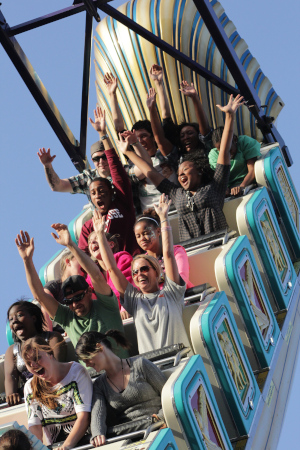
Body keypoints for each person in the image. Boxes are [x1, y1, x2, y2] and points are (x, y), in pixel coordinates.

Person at [117, 95, 244, 242]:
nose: (181, 175)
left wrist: (230, 115)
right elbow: (149, 172)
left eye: (185, 170)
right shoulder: (176, 193)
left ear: (199, 171)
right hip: (193, 250)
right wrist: (128, 151)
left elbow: (224, 150)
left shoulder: (215, 186)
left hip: (220, 243)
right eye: (178, 173)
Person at [92, 194, 191, 354]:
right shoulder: (135, 302)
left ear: (157, 272)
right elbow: (112, 268)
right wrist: (100, 235)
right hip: (154, 368)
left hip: (180, 361)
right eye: (135, 272)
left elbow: (168, 254)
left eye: (144, 269)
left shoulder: (172, 293)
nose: (139, 274)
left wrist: (164, 218)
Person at [15, 228, 128, 359]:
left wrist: (70, 245)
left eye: (78, 297)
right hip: (94, 378)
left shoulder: (106, 305)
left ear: (89, 292)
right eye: (69, 301)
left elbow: (96, 276)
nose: (75, 304)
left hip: (122, 371)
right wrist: (27, 260)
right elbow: (39, 295)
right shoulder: (68, 319)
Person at [75, 330, 167, 447]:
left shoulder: (141, 365)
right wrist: (98, 434)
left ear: (100, 348)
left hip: (160, 428)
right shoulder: (99, 385)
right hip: (132, 439)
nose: (87, 364)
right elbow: (98, 415)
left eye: (87, 359)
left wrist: (161, 417)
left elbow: (168, 394)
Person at [77, 107, 138, 255]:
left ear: (112, 192)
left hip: (132, 263)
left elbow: (116, 169)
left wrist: (103, 134)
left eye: (102, 191)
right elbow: (84, 259)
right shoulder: (88, 227)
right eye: (93, 193)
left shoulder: (123, 203)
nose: (98, 195)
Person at [23, 336, 92, 449]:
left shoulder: (76, 372)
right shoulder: (30, 387)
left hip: (85, 444)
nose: (33, 365)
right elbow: (35, 427)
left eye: (37, 358)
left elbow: (84, 417)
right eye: (28, 362)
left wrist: (66, 446)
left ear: (50, 353)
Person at [5, 300, 66, 407]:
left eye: (19, 315)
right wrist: (11, 395)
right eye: (10, 319)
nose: (14, 321)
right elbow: (10, 376)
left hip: (55, 390)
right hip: (31, 396)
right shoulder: (12, 350)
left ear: (33, 318)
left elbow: (57, 365)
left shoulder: (52, 338)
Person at [134, 209, 194, 289]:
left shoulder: (176, 251)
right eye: (138, 236)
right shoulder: (141, 262)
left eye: (146, 233)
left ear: (158, 231)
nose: (142, 238)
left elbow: (182, 280)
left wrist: (157, 278)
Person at [87, 230, 133, 319]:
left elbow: (129, 287)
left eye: (97, 238)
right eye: (89, 242)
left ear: (111, 244)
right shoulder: (91, 275)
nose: (92, 242)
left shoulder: (122, 258)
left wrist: (125, 308)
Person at [209, 126, 261, 196]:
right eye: (222, 152)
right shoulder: (213, 155)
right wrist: (225, 189)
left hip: (251, 184)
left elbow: (252, 171)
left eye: (229, 150)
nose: (227, 154)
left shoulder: (245, 142)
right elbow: (220, 179)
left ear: (235, 139)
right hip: (230, 190)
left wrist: (242, 187)